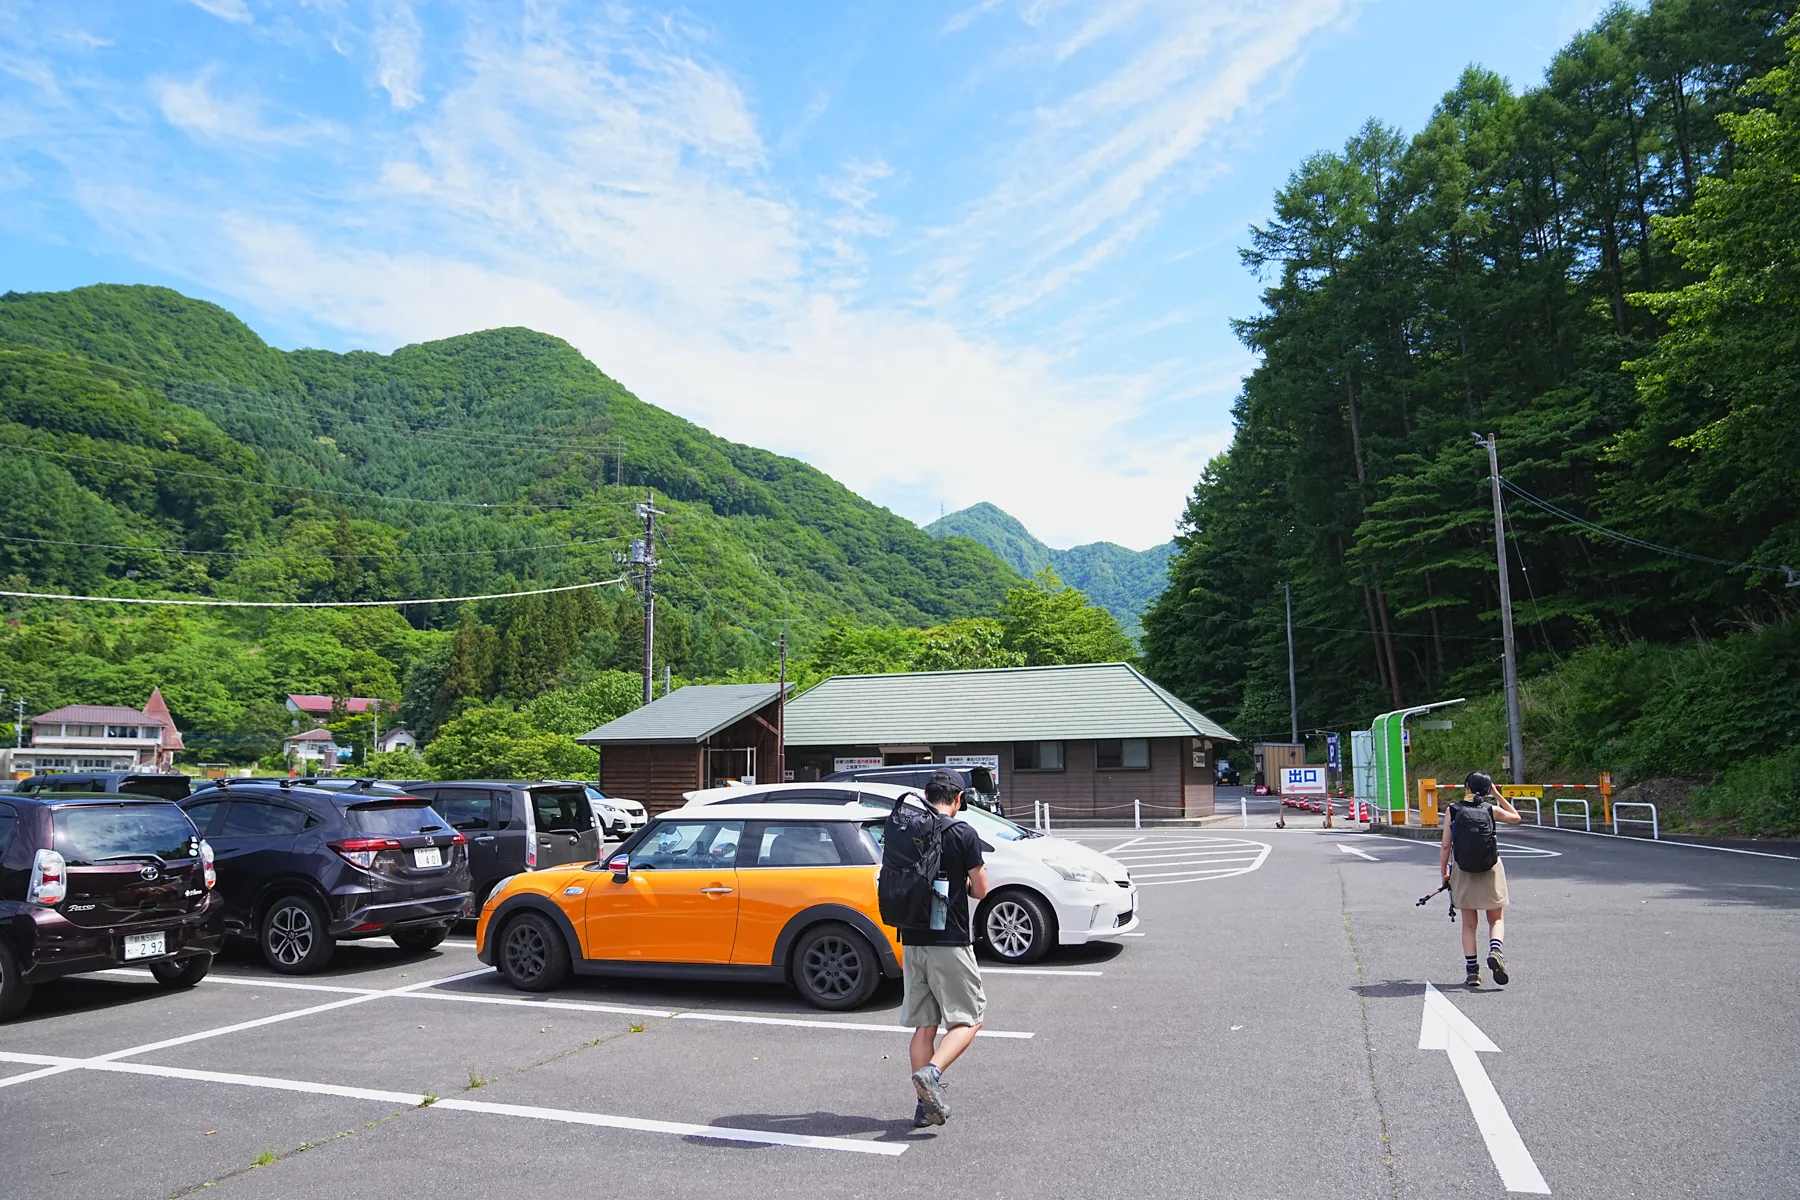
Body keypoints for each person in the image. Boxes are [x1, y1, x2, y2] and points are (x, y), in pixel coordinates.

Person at [899, 769, 990, 1128]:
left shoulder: (908, 830)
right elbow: (981, 889)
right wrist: (964, 885)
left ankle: (924, 1106)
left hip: (912, 938)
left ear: (926, 795)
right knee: (970, 1018)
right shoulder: (962, 832)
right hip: (948, 939)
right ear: (958, 799)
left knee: (925, 1025)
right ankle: (933, 1074)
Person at [1440, 770, 1523, 988]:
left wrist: (1444, 874)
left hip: (1464, 870)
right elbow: (1516, 817)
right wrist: (1497, 795)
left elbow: (1446, 845)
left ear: (1466, 786)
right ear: (1487, 790)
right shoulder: (1490, 809)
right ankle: (1495, 949)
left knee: (1469, 924)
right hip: (1490, 869)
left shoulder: (1454, 810)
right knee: (1495, 919)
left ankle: (1472, 972)